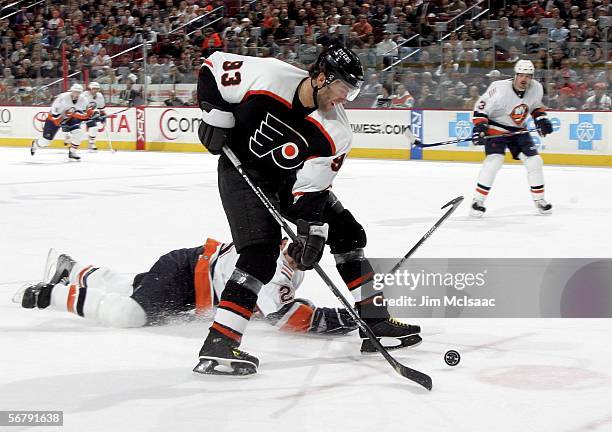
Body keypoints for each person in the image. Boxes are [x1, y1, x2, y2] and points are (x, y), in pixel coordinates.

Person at [196, 45, 421, 375]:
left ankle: (375, 323)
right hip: (242, 171)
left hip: (287, 180)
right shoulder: (269, 76)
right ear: (318, 78)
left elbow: (312, 192)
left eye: (352, 91)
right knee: (260, 253)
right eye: (342, 88)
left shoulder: (337, 132)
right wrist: (215, 116)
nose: (345, 98)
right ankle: (219, 343)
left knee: (348, 232)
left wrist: (311, 232)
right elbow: (211, 67)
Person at [14, 239, 357, 335]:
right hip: (187, 274)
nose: (307, 257)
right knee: (131, 315)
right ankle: (49, 295)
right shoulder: (274, 266)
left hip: (191, 274)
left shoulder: (284, 256)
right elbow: (288, 318)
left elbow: (276, 305)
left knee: (129, 287)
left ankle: (71, 270)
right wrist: (343, 319)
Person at [470, 60, 554, 217]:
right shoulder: (499, 88)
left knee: (534, 161)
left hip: (518, 130)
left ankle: (540, 200)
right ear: (515, 75)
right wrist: (480, 127)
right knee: (494, 160)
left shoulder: (536, 88)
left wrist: (541, 119)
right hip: (496, 128)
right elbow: (481, 108)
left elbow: (535, 106)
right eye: (521, 75)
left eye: (528, 76)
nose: (524, 79)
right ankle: (477, 201)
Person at [30, 83, 96, 161]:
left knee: (79, 133)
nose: (77, 94)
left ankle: (72, 152)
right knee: (46, 142)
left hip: (70, 118)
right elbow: (54, 114)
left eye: (79, 92)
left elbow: (86, 111)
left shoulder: (83, 99)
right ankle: (35, 144)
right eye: (75, 91)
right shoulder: (62, 97)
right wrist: (61, 121)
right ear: (71, 90)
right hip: (55, 118)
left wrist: (93, 113)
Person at [82, 82, 106, 150]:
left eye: (97, 89)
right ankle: (91, 143)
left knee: (96, 127)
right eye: (94, 88)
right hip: (83, 113)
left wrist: (103, 116)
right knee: (93, 127)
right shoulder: (84, 95)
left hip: (93, 113)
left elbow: (101, 109)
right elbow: (82, 108)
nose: (95, 90)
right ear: (90, 88)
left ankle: (91, 142)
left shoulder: (100, 95)